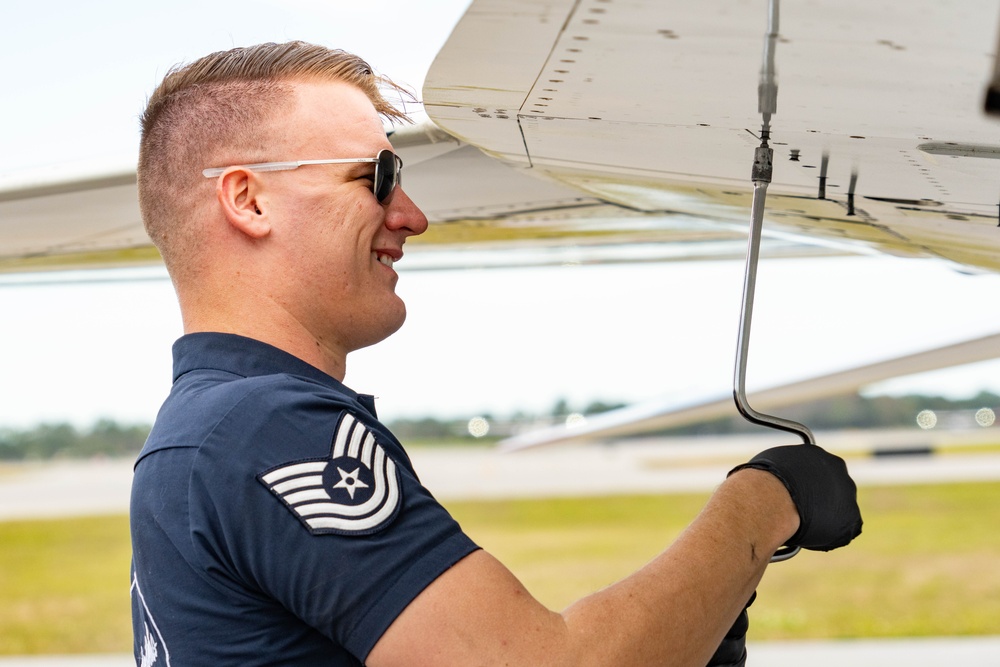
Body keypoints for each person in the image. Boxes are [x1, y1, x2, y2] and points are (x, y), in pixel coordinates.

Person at [129, 41, 862, 667]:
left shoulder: (203, 432)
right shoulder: (264, 427)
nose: (412, 216)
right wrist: (762, 504)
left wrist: (692, 613)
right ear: (249, 200)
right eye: (377, 177)